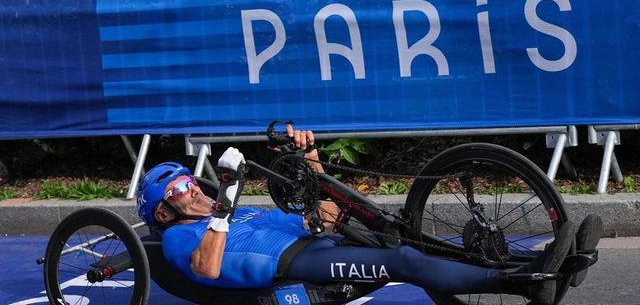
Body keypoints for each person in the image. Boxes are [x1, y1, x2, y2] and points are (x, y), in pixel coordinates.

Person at [136, 126, 602, 305]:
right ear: (162, 209)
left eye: (194, 181)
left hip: (323, 241)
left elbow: (325, 213)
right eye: (180, 187)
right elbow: (208, 268)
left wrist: (310, 160)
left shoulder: (241, 213)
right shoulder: (181, 237)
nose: (194, 188)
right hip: (301, 265)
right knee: (403, 261)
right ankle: (527, 284)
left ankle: (542, 260)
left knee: (406, 238)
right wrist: (224, 204)